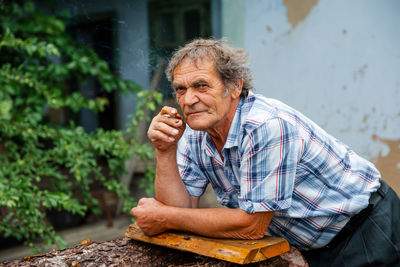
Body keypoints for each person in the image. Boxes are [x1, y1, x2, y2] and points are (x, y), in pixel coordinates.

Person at [130, 38, 400, 266]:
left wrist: (164, 217)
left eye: (201, 86)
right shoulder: (195, 133)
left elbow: (251, 226)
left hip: (366, 229)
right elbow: (181, 210)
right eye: (181, 89)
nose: (189, 100)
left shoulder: (265, 126)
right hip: (311, 244)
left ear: (234, 86)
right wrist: (165, 151)